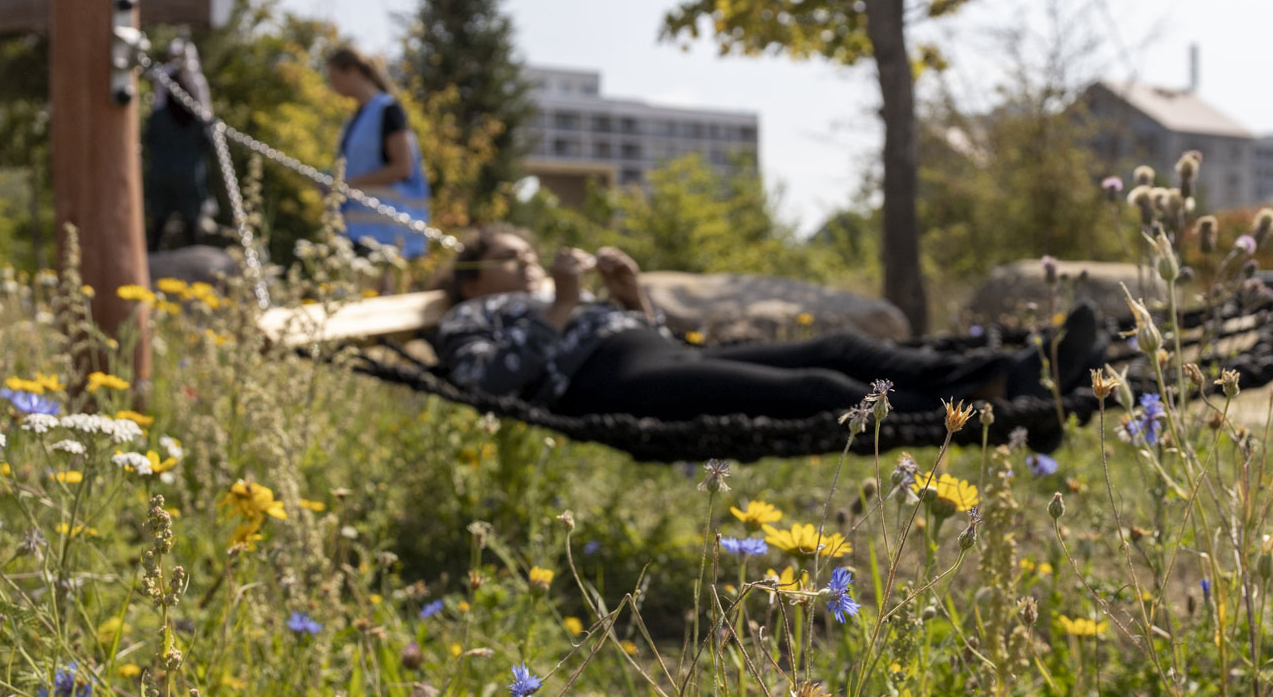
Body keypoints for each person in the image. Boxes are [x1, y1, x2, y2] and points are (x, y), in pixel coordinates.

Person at [431, 226, 1104, 443]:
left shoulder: (548, 300)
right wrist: (563, 305)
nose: (529, 264)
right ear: (470, 278)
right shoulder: (470, 319)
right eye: (511, 259)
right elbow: (485, 382)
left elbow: (649, 332)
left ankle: (1018, 369)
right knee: (817, 389)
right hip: (606, 385)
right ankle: (995, 418)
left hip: (657, 353)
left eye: (530, 256)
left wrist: (628, 299)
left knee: (841, 347)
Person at [325, 46, 430, 260]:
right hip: (358, 230)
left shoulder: (388, 110)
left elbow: (402, 168)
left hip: (389, 234)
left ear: (353, 71)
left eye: (334, 77)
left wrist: (345, 185)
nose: (332, 86)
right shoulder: (356, 118)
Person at [144, 38, 213, 252]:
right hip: (170, 166)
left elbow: (206, 123)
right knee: (161, 215)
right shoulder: (165, 80)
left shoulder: (194, 83)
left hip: (184, 166)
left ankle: (193, 253)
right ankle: (156, 252)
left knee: (188, 215)